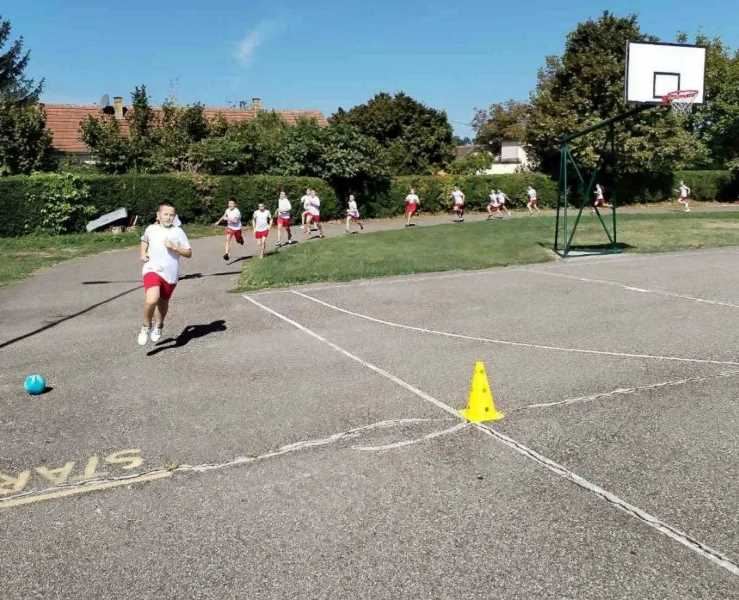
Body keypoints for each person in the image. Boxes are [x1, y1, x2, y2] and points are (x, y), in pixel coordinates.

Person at [138, 203, 192, 346]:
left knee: (163, 304)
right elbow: (144, 240)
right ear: (158, 215)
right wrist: (143, 253)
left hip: (170, 274)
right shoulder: (151, 229)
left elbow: (188, 253)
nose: (168, 217)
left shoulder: (178, 232)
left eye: (171, 215)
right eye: (165, 214)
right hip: (152, 269)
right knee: (152, 299)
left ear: (175, 217)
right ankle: (146, 326)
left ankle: (159, 325)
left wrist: (175, 247)